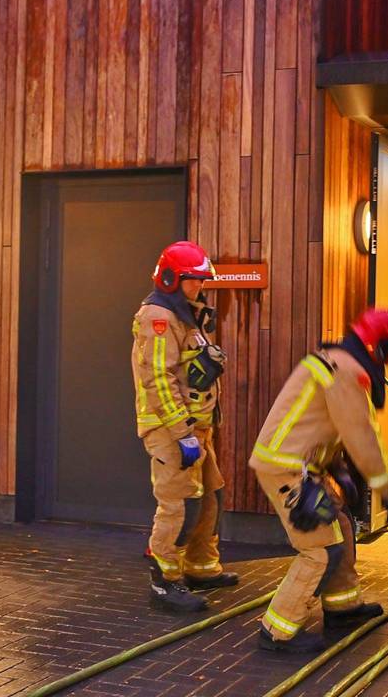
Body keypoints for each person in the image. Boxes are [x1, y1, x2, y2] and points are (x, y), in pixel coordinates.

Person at [250, 309, 388, 653]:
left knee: (341, 527)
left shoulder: (336, 362)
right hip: (288, 469)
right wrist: (386, 490)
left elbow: (321, 424)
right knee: (320, 550)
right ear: (377, 348)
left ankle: (343, 608)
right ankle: (276, 631)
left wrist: (337, 471)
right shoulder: (347, 373)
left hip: (300, 466)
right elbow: (361, 437)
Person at [131, 241, 239, 614]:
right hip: (171, 431)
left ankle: (201, 568)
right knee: (178, 506)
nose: (199, 287)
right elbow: (158, 380)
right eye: (193, 281)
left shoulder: (186, 315)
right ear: (172, 278)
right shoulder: (157, 317)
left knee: (211, 496)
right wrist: (181, 433)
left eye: (201, 280)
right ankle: (164, 582)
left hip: (196, 428)